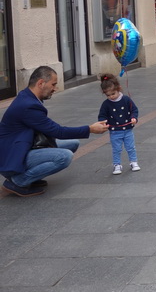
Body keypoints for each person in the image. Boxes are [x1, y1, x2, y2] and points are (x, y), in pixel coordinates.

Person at [0, 66, 108, 196]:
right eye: (53, 84)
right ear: (41, 83)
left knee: (73, 143)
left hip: (23, 146)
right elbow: (57, 131)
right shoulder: (28, 106)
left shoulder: (28, 96)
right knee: (65, 157)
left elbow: (50, 130)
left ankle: (31, 176)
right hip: (12, 157)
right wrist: (90, 129)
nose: (55, 89)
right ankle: (19, 181)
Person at [98, 73, 140, 175]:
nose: (111, 97)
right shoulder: (106, 104)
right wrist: (103, 122)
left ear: (119, 89)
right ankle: (117, 164)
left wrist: (133, 118)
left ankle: (133, 162)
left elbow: (134, 109)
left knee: (130, 147)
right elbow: (102, 115)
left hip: (128, 129)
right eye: (108, 95)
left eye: (113, 93)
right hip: (114, 131)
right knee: (116, 149)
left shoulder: (126, 100)